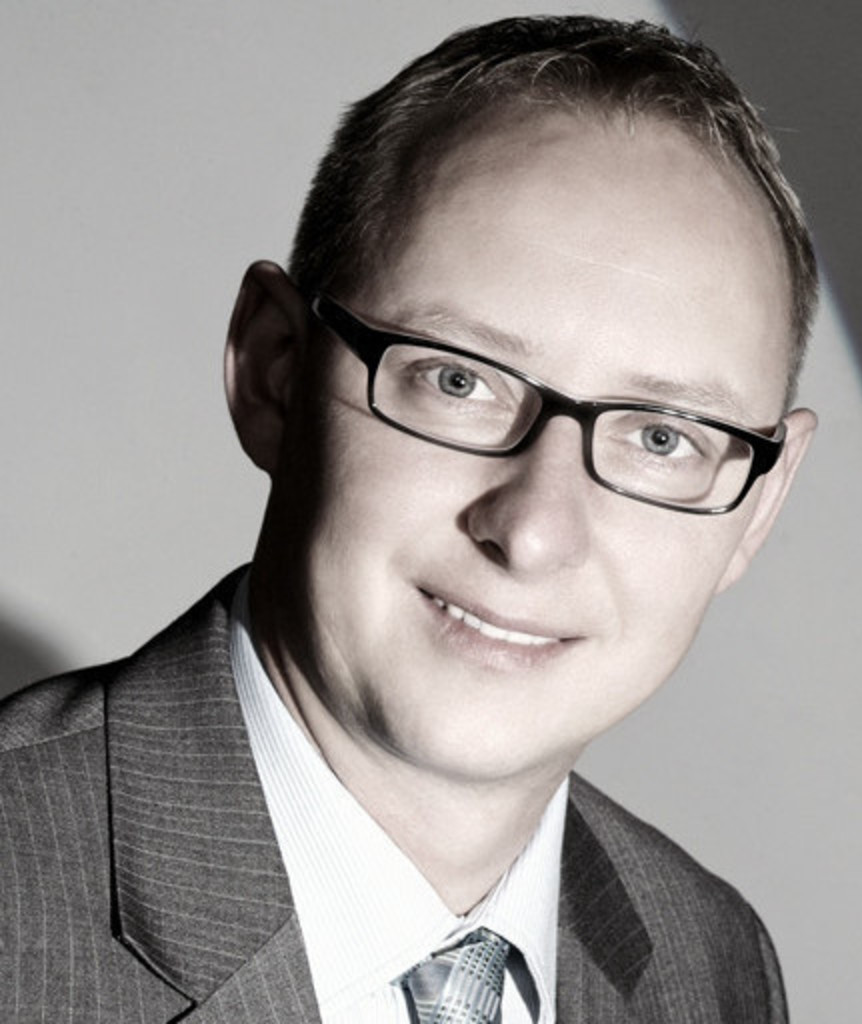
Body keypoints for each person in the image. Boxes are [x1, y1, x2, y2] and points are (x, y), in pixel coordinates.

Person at [0, 14, 818, 1024]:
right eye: (458, 379)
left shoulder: (709, 964)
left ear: (758, 507)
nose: (534, 531)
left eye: (661, 437)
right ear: (274, 371)